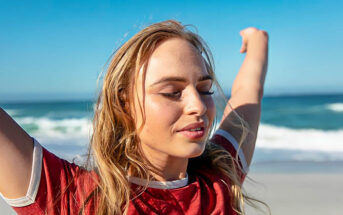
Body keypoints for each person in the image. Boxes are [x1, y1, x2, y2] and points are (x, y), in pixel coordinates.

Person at [0, 20, 269, 215]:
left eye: (204, 89)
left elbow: (248, 94)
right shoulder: (74, 198)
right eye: (172, 92)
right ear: (124, 104)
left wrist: (258, 42)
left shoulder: (220, 179)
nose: (198, 106)